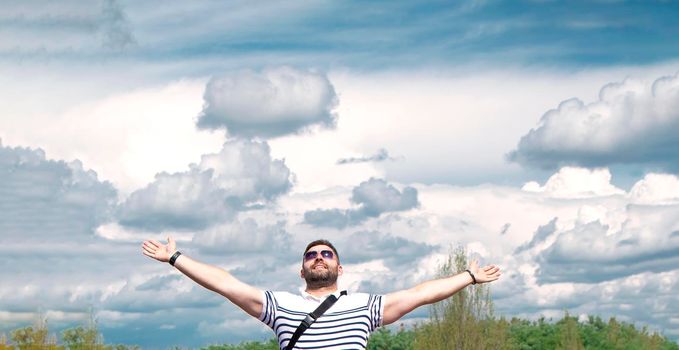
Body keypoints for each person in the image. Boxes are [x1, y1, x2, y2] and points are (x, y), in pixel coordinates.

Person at [141, 237, 501, 349]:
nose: (319, 258)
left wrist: (468, 276)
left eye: (326, 254)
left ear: (339, 268)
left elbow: (422, 293)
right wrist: (175, 257)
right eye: (311, 255)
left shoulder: (364, 305)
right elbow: (226, 284)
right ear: (302, 269)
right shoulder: (281, 304)